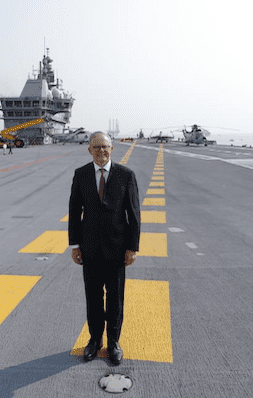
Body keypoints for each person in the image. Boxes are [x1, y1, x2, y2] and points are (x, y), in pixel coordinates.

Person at [68, 131, 141, 366]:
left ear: (112, 149)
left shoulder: (126, 175)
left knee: (116, 299)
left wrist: (132, 247)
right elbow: (74, 212)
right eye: (97, 147)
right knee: (93, 297)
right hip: (89, 249)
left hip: (118, 250)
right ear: (89, 150)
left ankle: (114, 343)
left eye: (105, 147)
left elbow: (134, 215)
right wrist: (75, 245)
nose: (101, 151)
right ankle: (95, 341)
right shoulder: (81, 175)